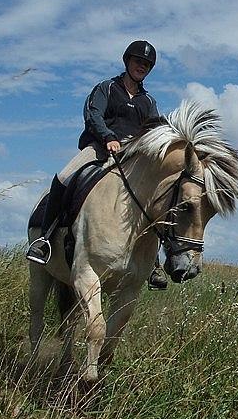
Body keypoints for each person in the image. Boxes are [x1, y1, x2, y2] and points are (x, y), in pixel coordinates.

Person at [26, 40, 169, 290]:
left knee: (154, 198)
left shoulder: (148, 102)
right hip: (100, 149)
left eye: (146, 64)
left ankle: (154, 263)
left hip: (132, 158)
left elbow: (155, 130)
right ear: (127, 61)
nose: (142, 67)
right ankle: (44, 241)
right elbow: (93, 115)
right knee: (62, 177)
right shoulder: (107, 88)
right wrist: (108, 137)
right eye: (138, 62)